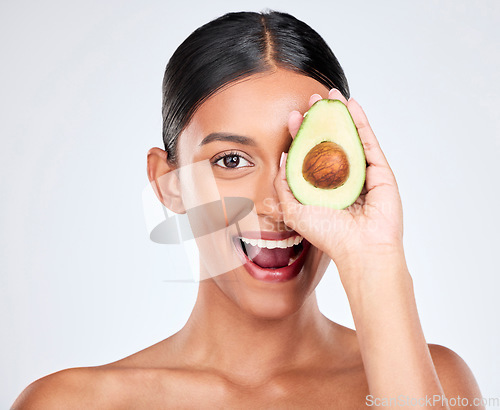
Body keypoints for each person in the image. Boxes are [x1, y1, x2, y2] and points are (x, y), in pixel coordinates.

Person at [13, 10, 483, 409]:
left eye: (304, 155)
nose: (276, 203)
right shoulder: (73, 402)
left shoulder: (437, 384)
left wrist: (375, 263)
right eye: (231, 160)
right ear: (167, 183)